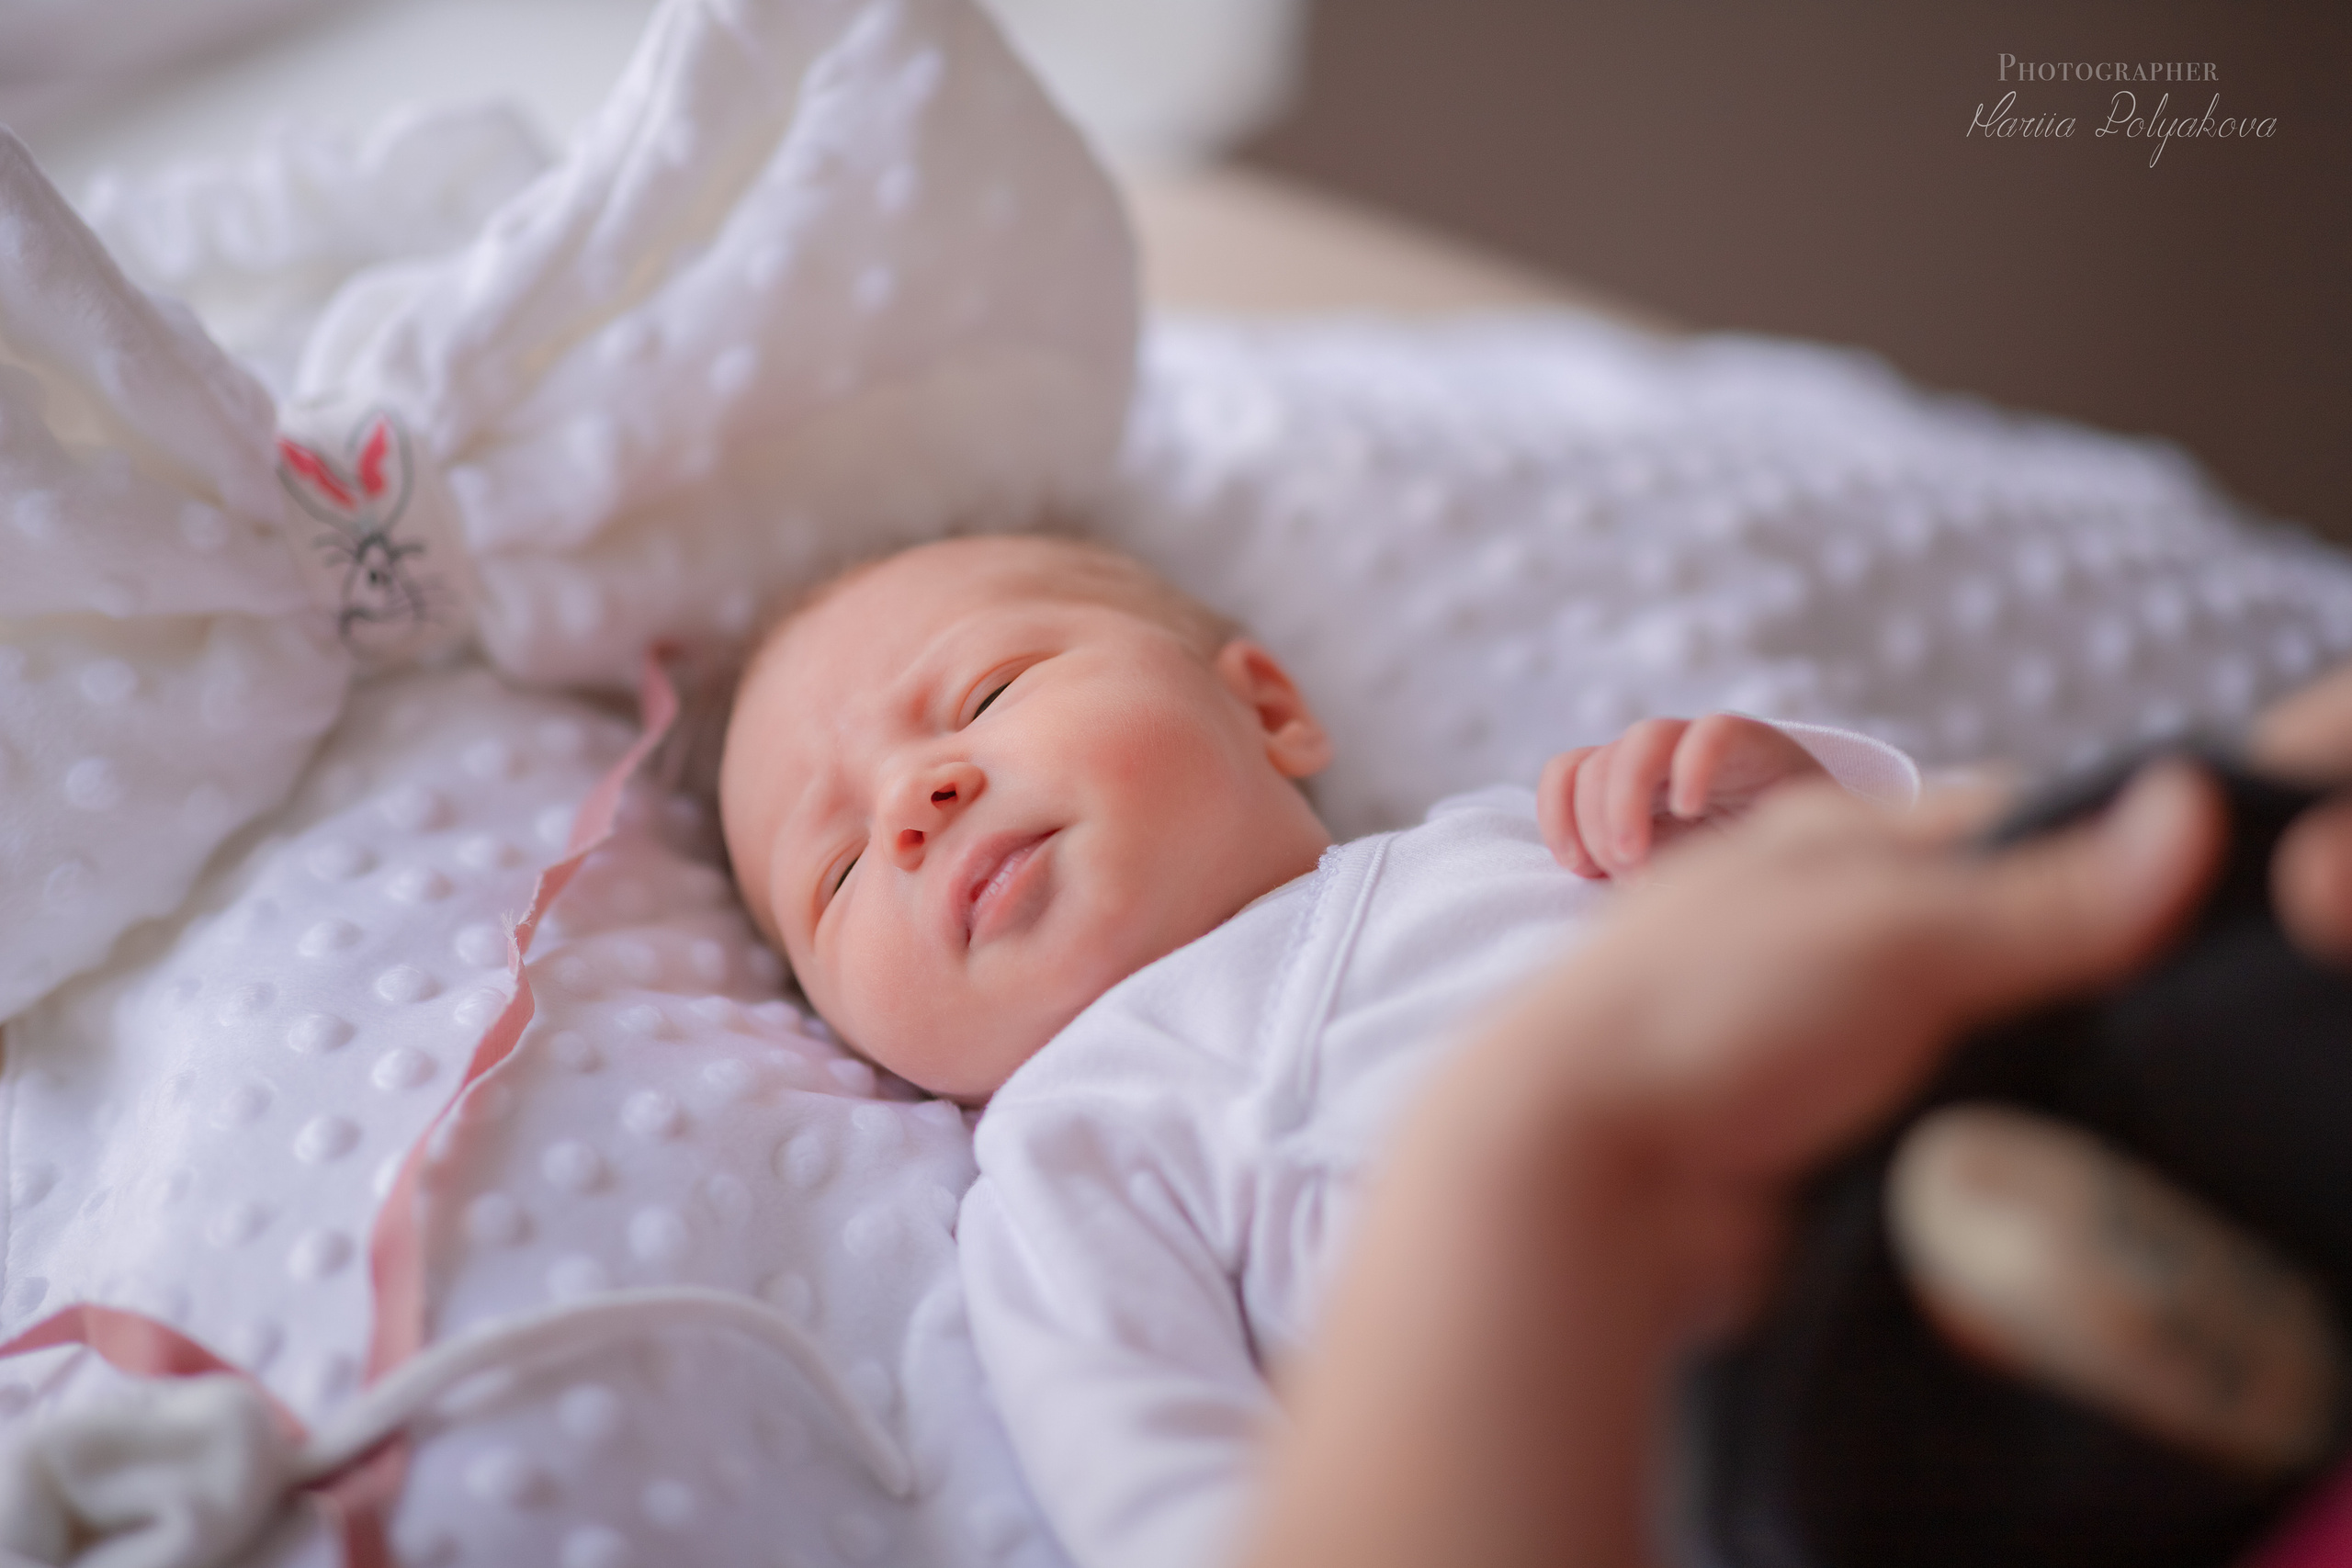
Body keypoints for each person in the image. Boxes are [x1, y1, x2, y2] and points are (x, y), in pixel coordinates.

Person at [716, 532, 1917, 1568]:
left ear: (1268, 707)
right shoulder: (1063, 1154)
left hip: (1911, 1211)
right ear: (867, 1040)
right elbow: (1165, 1494)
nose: (912, 802)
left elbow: (1897, 934)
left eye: (986, 694)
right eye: (839, 869)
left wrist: (1791, 817)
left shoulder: (1529, 837)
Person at [1232, 662, 2352, 1568]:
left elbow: (1905, 895)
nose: (1039, 757)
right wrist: (1546, 1156)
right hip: (1711, 1433)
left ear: (1264, 703)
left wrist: (1804, 825)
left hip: (2016, 1114)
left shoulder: (1485, 829)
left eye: (1043, 673)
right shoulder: (1065, 1131)